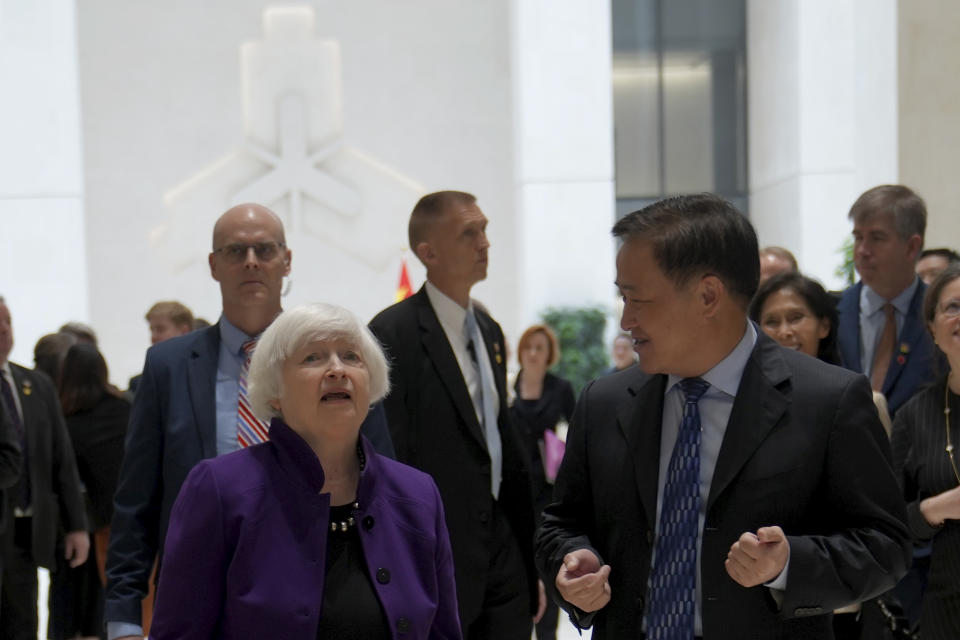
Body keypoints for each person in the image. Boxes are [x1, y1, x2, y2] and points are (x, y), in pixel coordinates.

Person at [535, 194, 911, 639]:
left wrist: (789, 564)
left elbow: (885, 547)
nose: (626, 320)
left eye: (637, 299)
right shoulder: (605, 401)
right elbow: (561, 523)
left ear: (708, 295)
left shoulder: (827, 399)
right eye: (622, 298)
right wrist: (572, 561)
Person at [104, 204, 395, 640]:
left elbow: (380, 482)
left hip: (320, 588)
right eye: (236, 250)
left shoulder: (340, 363)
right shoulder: (167, 366)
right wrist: (124, 617)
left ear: (287, 260)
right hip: (200, 595)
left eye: (265, 249)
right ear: (213, 265)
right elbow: (136, 501)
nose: (251, 262)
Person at [149, 303, 461, 639]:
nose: (337, 370)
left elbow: (443, 632)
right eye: (313, 357)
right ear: (276, 392)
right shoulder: (220, 489)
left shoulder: (417, 493)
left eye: (351, 357)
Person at [369, 191, 541, 638]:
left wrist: (530, 557)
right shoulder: (391, 333)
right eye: (470, 233)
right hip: (434, 548)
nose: (485, 243)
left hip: (503, 546)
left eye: (484, 230)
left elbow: (498, 438)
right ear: (428, 253)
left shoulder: (489, 330)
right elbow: (388, 456)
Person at [0, 297, 88, 640]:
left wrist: (76, 526)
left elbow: (61, 460)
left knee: (23, 621)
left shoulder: (35, 384)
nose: (4, 330)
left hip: (30, 527)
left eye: (7, 321)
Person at [890, 264, 960, 639]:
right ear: (932, 329)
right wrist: (938, 508)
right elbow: (885, 525)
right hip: (947, 611)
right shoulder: (914, 416)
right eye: (953, 307)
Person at [48, 344, 130, 640]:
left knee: (71, 613)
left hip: (80, 527)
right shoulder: (127, 410)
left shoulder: (65, 422)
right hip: (126, 522)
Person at [836, 185, 939, 416]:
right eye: (858, 237)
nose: (862, 250)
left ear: (912, 246)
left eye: (876, 238)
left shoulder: (940, 315)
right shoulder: (832, 313)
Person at [510, 324, 575, 640]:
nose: (534, 353)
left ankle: (548, 632)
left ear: (550, 354)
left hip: (550, 488)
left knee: (547, 558)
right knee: (520, 561)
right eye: (529, 347)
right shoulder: (510, 387)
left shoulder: (561, 389)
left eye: (540, 348)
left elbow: (576, 433)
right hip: (517, 487)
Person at [749, 272, 839, 364]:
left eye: (796, 318)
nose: (784, 332)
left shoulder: (845, 378)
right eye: (771, 322)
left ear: (824, 326)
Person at [127, 301, 195, 396]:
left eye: (160, 329)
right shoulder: (138, 384)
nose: (153, 337)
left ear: (184, 331)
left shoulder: (203, 375)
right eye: (152, 330)